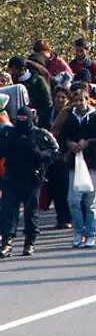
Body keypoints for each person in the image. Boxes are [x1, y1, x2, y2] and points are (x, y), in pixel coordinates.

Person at [54, 83, 96, 248]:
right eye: (76, 100)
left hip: (94, 163)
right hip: (75, 163)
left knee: (91, 201)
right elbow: (61, 138)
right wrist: (69, 144)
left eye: (82, 100)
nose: (79, 103)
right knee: (73, 200)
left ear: (87, 100)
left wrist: (88, 143)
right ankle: (78, 232)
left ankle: (90, 233)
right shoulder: (69, 118)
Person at [0, 104, 59, 258]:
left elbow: (54, 150)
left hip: (32, 178)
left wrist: (40, 155)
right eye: (19, 118)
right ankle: (6, 242)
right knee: (8, 211)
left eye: (25, 118)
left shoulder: (39, 134)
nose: (22, 120)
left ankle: (30, 242)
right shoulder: (8, 133)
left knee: (31, 212)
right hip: (11, 177)